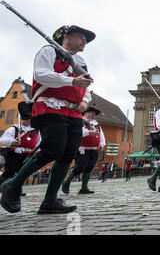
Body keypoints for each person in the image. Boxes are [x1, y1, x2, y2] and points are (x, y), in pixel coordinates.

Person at [0, 25, 94, 214]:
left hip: (73, 112)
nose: (85, 41)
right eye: (80, 37)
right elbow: (41, 75)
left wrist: (84, 101)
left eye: (86, 39)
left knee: (68, 155)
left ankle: (50, 200)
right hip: (50, 106)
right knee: (53, 149)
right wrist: (72, 81)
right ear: (66, 36)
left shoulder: (81, 61)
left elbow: (87, 87)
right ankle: (13, 185)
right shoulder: (49, 51)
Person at [0, 102, 41, 196]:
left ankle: (17, 190)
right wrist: (12, 142)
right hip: (14, 154)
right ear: (22, 119)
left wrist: (37, 150)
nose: (29, 122)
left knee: (22, 172)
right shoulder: (14, 129)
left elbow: (39, 142)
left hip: (28, 155)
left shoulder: (36, 130)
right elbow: (2, 139)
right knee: (10, 171)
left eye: (30, 120)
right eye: (27, 120)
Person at [62, 105, 105, 194]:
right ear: (85, 113)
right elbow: (78, 133)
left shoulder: (97, 124)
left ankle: (84, 188)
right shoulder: (81, 122)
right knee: (80, 167)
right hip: (83, 149)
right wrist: (89, 132)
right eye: (91, 113)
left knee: (89, 168)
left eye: (94, 114)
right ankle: (66, 182)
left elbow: (101, 135)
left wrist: (102, 144)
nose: (93, 115)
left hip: (94, 149)